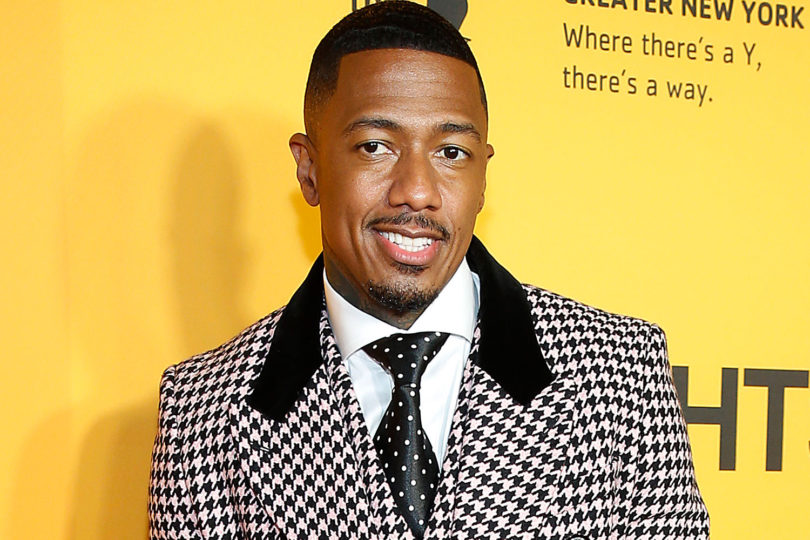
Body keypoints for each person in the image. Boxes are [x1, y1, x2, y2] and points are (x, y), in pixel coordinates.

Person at [148, 2, 709, 538]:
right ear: (310, 168)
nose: (417, 191)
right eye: (375, 146)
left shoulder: (618, 371)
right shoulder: (203, 411)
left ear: (483, 176)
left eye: (451, 152)